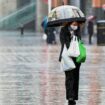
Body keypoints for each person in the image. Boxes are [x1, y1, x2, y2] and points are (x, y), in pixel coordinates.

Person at [59, 21, 82, 105]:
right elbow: (63, 41)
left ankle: (74, 97)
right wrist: (70, 38)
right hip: (67, 57)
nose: (75, 25)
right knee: (69, 78)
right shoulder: (63, 30)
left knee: (75, 77)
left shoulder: (78, 29)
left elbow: (79, 41)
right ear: (69, 23)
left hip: (77, 57)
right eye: (73, 23)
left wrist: (75, 35)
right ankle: (70, 97)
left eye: (76, 23)